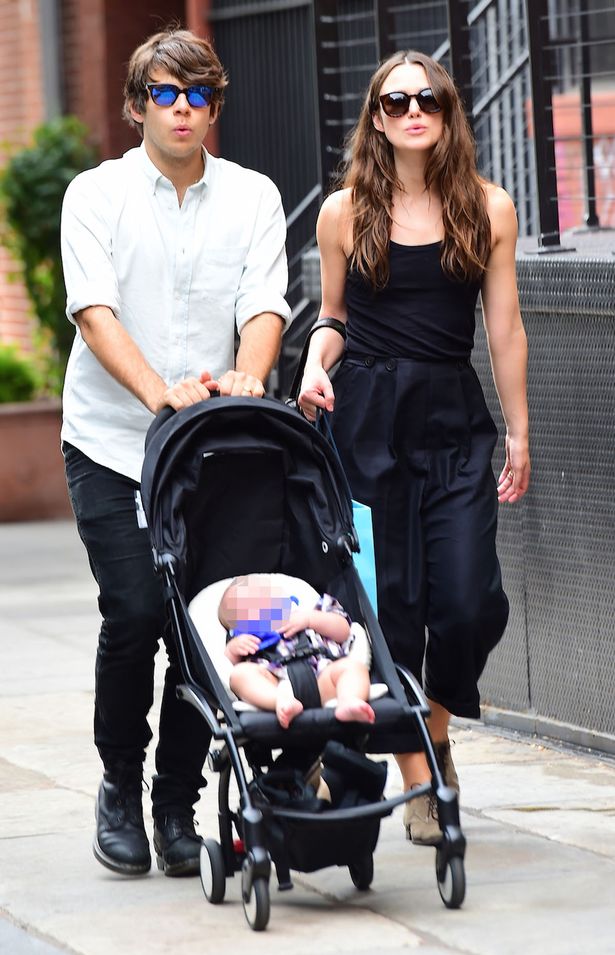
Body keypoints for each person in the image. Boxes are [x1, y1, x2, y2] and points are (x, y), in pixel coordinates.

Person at [60, 27, 291, 878]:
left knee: (204, 628)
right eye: (165, 93)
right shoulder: (95, 195)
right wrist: (160, 392)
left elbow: (264, 299)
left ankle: (175, 800)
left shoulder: (253, 195)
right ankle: (120, 782)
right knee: (135, 612)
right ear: (135, 107)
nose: (182, 108)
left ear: (215, 107)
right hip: (115, 443)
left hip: (211, 448)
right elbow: (94, 310)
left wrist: (247, 377)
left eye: (197, 95)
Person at [298, 50, 530, 846]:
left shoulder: (486, 208)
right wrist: (310, 364)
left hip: (452, 418)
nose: (411, 111)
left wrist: (519, 427)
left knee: (465, 601)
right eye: (394, 102)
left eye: (426, 98)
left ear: (447, 109)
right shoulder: (342, 212)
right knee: (389, 606)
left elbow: (502, 328)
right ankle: (422, 775)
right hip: (364, 418)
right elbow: (332, 317)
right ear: (375, 117)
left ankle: (433, 729)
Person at [218, 574, 375, 727]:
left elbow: (344, 631)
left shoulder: (314, 609)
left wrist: (310, 619)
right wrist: (233, 651)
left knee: (353, 667)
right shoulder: (245, 638)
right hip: (276, 685)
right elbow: (227, 669)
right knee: (239, 675)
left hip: (323, 678)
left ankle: (348, 700)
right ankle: (281, 702)